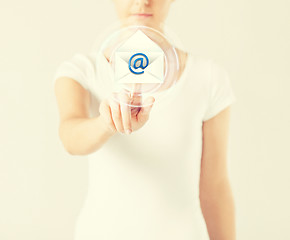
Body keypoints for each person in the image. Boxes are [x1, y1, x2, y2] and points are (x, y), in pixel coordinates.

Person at [53, 0, 237, 239]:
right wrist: (107, 123)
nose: (142, 1)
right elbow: (71, 137)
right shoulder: (83, 71)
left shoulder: (208, 78)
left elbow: (214, 188)